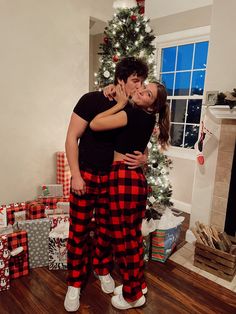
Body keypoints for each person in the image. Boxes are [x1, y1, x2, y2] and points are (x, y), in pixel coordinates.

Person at [64, 57, 149, 312]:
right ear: (121, 80)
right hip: (86, 176)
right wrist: (76, 175)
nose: (139, 86)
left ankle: (102, 269)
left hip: (113, 180)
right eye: (135, 80)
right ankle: (74, 282)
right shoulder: (91, 99)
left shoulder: (134, 111)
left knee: (105, 231)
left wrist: (145, 159)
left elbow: (137, 144)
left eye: (142, 82)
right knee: (78, 231)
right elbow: (71, 138)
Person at [90, 81, 170, 310]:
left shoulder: (132, 115)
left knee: (125, 241)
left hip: (124, 179)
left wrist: (121, 103)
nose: (141, 91)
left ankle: (133, 295)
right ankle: (138, 284)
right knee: (132, 239)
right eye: (144, 87)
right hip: (131, 180)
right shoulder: (144, 116)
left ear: (152, 106)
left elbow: (96, 124)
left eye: (147, 94)